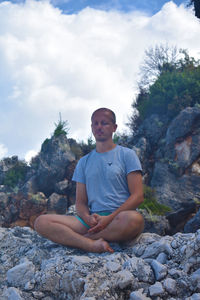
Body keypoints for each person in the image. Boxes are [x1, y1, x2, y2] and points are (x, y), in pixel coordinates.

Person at [34, 108, 144, 253]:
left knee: (135, 219)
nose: (99, 127)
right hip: (93, 219)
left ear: (114, 127)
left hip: (118, 217)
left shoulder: (127, 155)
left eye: (104, 123)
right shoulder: (84, 162)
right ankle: (90, 245)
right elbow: (80, 203)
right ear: (92, 127)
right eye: (95, 123)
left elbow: (137, 196)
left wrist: (109, 218)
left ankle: (82, 238)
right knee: (41, 222)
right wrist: (87, 218)